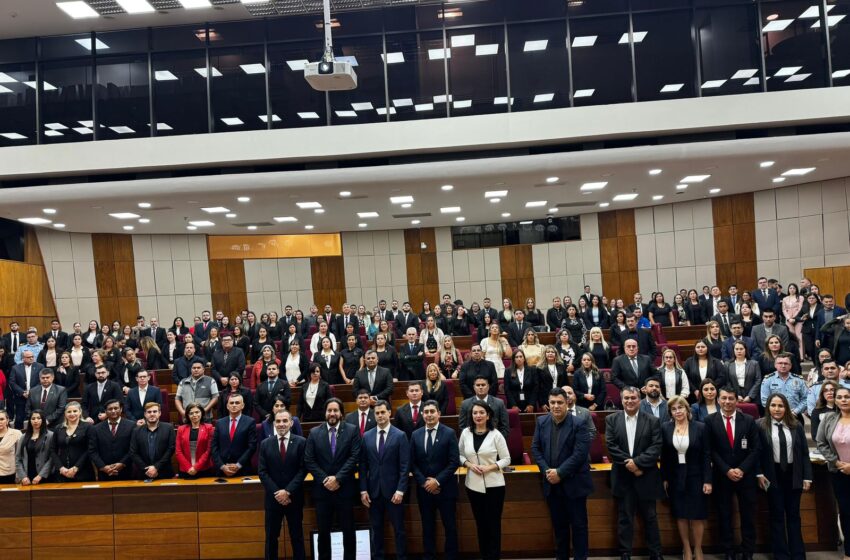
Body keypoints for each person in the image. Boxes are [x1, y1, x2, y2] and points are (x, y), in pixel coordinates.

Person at [531, 387, 593, 560]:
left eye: (560, 402)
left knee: (579, 527)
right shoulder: (541, 422)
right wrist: (547, 471)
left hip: (574, 484)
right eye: (552, 402)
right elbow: (535, 449)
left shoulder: (579, 423)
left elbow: (580, 454)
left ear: (567, 403)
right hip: (552, 484)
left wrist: (560, 472)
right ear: (548, 404)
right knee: (559, 527)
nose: (556, 406)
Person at [605, 386, 664, 560]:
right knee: (625, 517)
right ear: (621, 400)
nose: (630, 401)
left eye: (633, 398)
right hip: (623, 476)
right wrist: (630, 464)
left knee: (650, 517)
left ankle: (656, 552)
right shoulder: (611, 420)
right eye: (626, 398)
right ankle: (625, 553)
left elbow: (656, 447)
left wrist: (637, 464)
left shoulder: (653, 420)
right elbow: (611, 446)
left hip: (645, 475)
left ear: (640, 400)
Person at [708, 386, 761, 560]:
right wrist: (727, 470)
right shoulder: (710, 421)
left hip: (745, 476)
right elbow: (711, 450)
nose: (727, 402)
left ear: (736, 400)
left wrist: (741, 469)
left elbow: (755, 449)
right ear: (718, 400)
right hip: (722, 476)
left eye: (731, 398)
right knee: (724, 516)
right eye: (724, 398)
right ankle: (729, 551)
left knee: (748, 516)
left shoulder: (748, 420)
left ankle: (747, 552)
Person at [304, 398, 362, 560]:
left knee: (348, 531)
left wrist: (338, 479)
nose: (332, 413)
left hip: (345, 490)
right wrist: (325, 480)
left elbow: (354, 456)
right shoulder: (315, 433)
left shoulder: (352, 430)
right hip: (322, 492)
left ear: (341, 413)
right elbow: (309, 460)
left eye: (336, 410)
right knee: (323, 532)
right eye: (329, 410)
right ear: (325, 413)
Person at [758, 393, 812, 560]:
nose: (777, 409)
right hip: (771, 476)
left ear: (786, 407)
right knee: (776, 516)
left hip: (793, 475)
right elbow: (756, 453)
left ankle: (797, 554)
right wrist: (759, 473)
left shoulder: (796, 425)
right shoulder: (760, 425)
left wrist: (807, 477)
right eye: (773, 405)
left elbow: (804, 453)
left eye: (780, 406)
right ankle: (780, 554)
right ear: (768, 407)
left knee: (794, 516)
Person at [661, 396, 712, 560]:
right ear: (670, 412)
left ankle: (698, 548)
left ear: (687, 409)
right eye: (674, 409)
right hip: (676, 477)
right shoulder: (665, 428)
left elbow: (706, 456)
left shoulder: (700, 427)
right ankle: (686, 549)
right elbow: (665, 457)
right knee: (681, 514)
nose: (678, 411)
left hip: (696, 476)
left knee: (697, 515)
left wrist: (708, 480)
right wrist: (665, 478)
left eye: (680, 408)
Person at [458, 400, 511, 560]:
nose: (478, 415)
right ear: (471, 415)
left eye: (482, 413)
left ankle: (494, 556)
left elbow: (506, 459)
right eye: (475, 413)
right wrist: (468, 464)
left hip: (494, 485)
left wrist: (490, 467)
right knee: (480, 524)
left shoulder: (496, 434)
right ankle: (484, 556)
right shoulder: (465, 433)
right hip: (473, 485)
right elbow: (458, 455)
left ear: (488, 415)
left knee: (493, 524)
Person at [359, 400, 410, 560]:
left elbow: (404, 466)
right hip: (374, 492)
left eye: (383, 412)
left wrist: (400, 490)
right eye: (377, 413)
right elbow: (363, 466)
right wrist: (363, 489)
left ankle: (402, 557)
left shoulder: (400, 435)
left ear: (389, 413)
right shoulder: (367, 436)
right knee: (376, 529)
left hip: (394, 492)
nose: (380, 415)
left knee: (399, 530)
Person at [410, 400, 460, 560]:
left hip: (445, 490)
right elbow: (412, 463)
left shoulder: (449, 433)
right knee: (427, 527)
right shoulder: (415, 434)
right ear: (422, 415)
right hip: (424, 491)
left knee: (450, 527)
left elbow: (454, 462)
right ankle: (429, 556)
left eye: (432, 411)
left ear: (439, 413)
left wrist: (437, 481)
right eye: (426, 412)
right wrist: (425, 482)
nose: (429, 415)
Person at [259, 410, 307, 560]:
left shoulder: (301, 442)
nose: (281, 424)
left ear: (291, 423)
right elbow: (262, 472)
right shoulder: (265, 444)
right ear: (274, 424)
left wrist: (287, 492)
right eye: (278, 421)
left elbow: (303, 470)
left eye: (285, 421)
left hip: (294, 498)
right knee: (271, 539)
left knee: (297, 537)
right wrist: (278, 493)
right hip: (273, 500)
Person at [815, 386, 850, 559]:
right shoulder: (829, 418)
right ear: (834, 400)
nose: (844, 400)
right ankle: (849, 551)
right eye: (840, 397)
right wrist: (836, 462)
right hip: (839, 473)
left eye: (847, 397)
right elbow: (821, 443)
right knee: (845, 511)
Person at [212, 392, 257, 477]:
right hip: (222, 471)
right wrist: (222, 466)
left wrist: (238, 465)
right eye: (231, 403)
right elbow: (214, 447)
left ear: (242, 405)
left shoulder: (250, 422)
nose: (234, 405)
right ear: (227, 406)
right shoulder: (219, 423)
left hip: (243, 469)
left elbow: (252, 447)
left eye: (237, 403)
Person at [88, 399, 134, 480]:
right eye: (110, 409)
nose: (113, 411)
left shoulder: (131, 426)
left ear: (121, 409)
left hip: (126, 471)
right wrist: (103, 467)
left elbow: (133, 449)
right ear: (105, 411)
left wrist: (122, 463)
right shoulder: (96, 428)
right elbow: (93, 451)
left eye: (116, 408)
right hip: (104, 473)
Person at [130, 402, 176, 480]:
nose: (152, 414)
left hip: (164, 472)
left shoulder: (169, 428)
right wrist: (147, 469)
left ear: (159, 413)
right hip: (143, 473)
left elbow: (170, 449)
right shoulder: (136, 431)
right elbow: (133, 452)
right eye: (149, 412)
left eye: (155, 411)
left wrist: (156, 467)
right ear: (145, 414)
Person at [52, 401, 94, 482]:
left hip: (83, 471)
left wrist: (76, 468)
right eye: (69, 411)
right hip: (63, 473)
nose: (72, 414)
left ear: (80, 412)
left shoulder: (88, 427)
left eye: (75, 411)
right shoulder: (58, 428)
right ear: (65, 413)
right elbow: (52, 450)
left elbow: (89, 449)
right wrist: (61, 468)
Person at [760, 352, 807, 419]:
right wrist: (777, 411)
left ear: (790, 366)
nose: (783, 366)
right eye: (780, 363)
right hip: (774, 415)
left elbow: (805, 398)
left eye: (786, 363)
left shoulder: (799, 380)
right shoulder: (768, 380)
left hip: (795, 416)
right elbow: (765, 400)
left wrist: (796, 411)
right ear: (775, 365)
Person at [176, 402, 215, 478]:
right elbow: (178, 451)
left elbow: (209, 450)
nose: (194, 415)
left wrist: (196, 467)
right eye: (191, 413)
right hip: (186, 469)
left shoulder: (209, 428)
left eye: (197, 412)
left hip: (204, 468)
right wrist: (188, 467)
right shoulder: (181, 429)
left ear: (202, 413)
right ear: (187, 415)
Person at [15, 410, 54, 485]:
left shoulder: (50, 436)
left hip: (45, 477)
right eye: (33, 419)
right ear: (29, 421)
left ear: (43, 419)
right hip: (27, 478)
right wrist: (23, 476)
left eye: (38, 418)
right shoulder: (23, 437)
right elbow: (18, 458)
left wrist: (40, 476)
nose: (36, 421)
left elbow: (52, 458)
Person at [0, 410, 22, 484]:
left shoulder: (16, 434)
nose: (0, 421)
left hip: (10, 475)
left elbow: (21, 456)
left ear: (7, 420)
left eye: (2, 419)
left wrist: (20, 475)